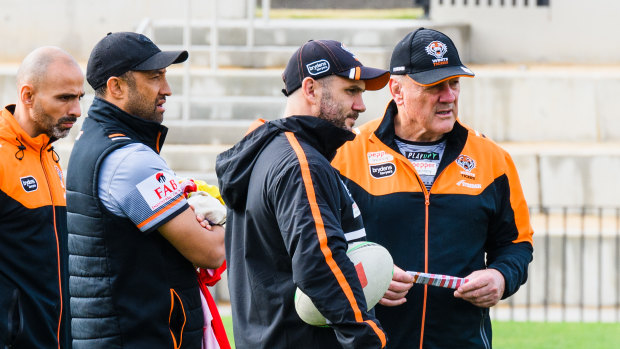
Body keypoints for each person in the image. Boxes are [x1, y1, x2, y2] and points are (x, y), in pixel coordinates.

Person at [332, 28, 535, 348]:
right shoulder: (345, 155)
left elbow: (517, 244)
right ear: (396, 90)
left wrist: (500, 277)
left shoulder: (493, 159)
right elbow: (320, 248)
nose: (449, 96)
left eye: (454, 83)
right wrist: (366, 278)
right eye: (434, 86)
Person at [216, 40, 391, 349]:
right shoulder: (301, 163)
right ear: (310, 89)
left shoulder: (270, 151)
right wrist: (367, 338)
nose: (362, 105)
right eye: (351, 91)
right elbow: (320, 263)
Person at [65, 32, 226, 348]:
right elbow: (211, 251)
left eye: (165, 76)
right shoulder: (131, 160)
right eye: (155, 78)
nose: (167, 89)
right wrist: (218, 219)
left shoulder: (94, 142)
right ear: (116, 87)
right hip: (141, 336)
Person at [0, 47, 84, 348]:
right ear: (27, 96)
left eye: (79, 98)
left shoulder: (50, 154)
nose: (76, 110)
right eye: (64, 98)